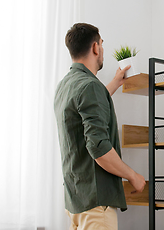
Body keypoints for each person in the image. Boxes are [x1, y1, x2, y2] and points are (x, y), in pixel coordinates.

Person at [54, 23, 146, 230]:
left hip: (76, 202)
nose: (102, 49)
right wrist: (133, 175)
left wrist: (113, 83)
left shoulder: (65, 86)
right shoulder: (89, 87)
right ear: (95, 47)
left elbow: (87, 106)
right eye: (102, 45)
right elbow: (99, 148)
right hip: (96, 206)